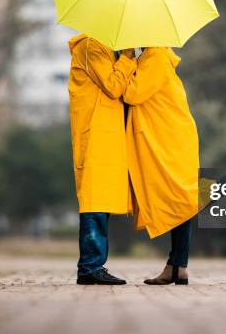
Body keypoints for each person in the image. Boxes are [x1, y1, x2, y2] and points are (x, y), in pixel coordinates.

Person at [124, 46, 199, 285]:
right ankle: (177, 266)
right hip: (170, 138)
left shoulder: (155, 57)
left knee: (183, 199)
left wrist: (126, 60)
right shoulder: (153, 57)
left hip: (169, 141)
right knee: (180, 201)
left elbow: (132, 94)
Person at [67, 34, 136, 285]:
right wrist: (128, 57)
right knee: (95, 200)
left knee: (101, 199)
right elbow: (113, 85)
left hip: (105, 133)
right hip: (94, 131)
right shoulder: (91, 46)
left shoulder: (105, 48)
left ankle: (94, 264)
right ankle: (89, 267)